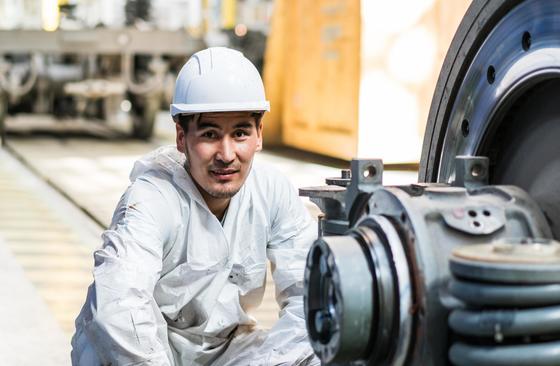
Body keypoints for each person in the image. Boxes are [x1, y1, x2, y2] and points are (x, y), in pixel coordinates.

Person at [71, 47, 319, 365]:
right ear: (181, 137)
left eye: (240, 133)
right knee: (104, 344)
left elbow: (310, 298)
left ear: (259, 135)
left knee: (320, 354)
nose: (227, 154)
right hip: (145, 351)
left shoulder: (272, 191)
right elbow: (119, 306)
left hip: (228, 349)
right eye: (209, 134)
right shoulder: (151, 199)